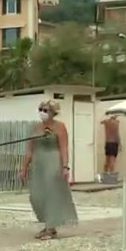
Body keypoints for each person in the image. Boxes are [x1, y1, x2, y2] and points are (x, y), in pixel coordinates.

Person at [20, 100, 78, 240]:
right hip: (38, 162)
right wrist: (24, 168)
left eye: (46, 110)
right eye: (41, 109)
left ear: (53, 112)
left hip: (53, 161)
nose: (42, 112)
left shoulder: (60, 127)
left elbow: (63, 148)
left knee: (51, 194)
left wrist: (65, 167)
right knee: (37, 195)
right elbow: (29, 150)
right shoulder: (36, 127)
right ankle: (47, 224)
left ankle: (50, 228)